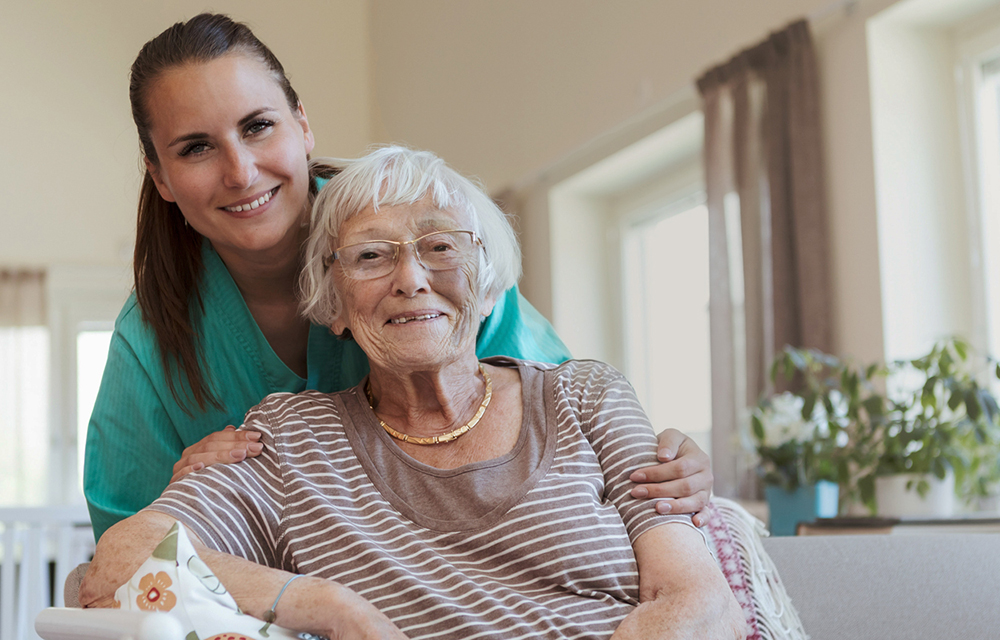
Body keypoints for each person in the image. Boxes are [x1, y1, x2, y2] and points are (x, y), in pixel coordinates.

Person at [83, 13, 713, 543]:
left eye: (258, 126)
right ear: (160, 176)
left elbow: (569, 427)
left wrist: (667, 466)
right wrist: (182, 497)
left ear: (302, 125)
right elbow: (125, 559)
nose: (241, 171)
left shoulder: (432, 244)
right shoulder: (151, 338)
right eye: (195, 147)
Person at [80, 146, 745, 640]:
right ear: (332, 303)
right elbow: (117, 564)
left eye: (440, 246)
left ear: (487, 284)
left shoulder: (587, 398)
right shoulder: (288, 442)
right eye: (371, 255)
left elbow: (701, 603)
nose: (411, 278)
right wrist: (332, 607)